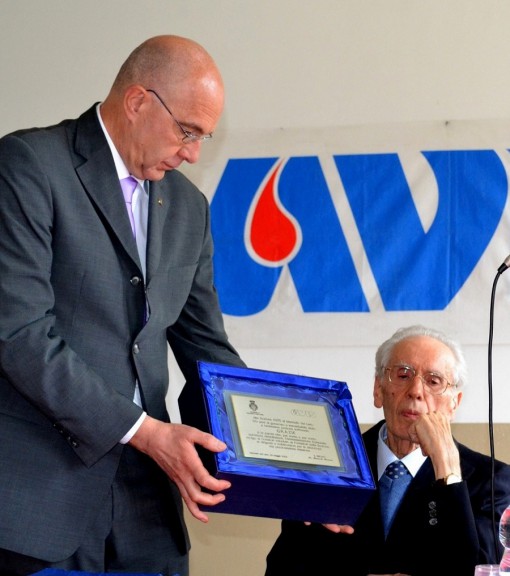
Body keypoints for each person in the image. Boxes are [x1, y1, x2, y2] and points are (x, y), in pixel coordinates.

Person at [0, 35, 246, 576]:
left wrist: (289, 470)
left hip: (148, 511)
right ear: (137, 102)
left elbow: (206, 348)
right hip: (42, 498)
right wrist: (144, 430)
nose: (193, 154)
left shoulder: (188, 208)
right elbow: (19, 334)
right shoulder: (28, 165)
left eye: (203, 137)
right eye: (187, 131)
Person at [265, 325, 510, 576]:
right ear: (378, 389)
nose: (415, 391)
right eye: (403, 375)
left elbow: (478, 569)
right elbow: (282, 569)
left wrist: (446, 466)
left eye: (433, 381)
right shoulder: (327, 467)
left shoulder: (491, 481)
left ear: (453, 404)